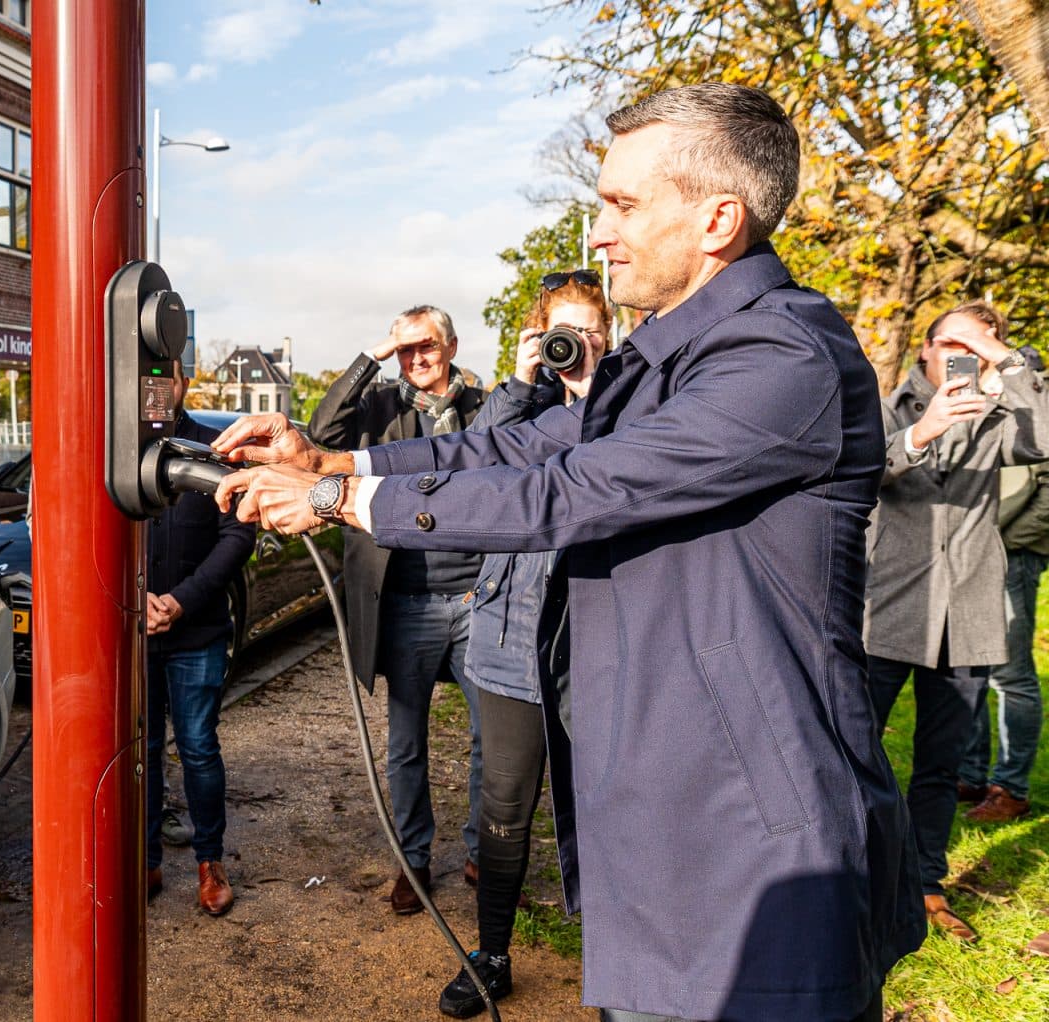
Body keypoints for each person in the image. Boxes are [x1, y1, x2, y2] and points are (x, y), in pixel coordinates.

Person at [212, 83, 921, 1021]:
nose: (600, 232)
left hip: (756, 840)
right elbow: (519, 445)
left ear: (717, 219)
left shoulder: (782, 358)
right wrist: (336, 454)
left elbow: (580, 490)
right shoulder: (667, 356)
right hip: (669, 822)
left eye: (624, 204)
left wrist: (341, 500)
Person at [439, 272, 608, 1019]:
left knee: (605, 808)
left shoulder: (630, 403)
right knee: (503, 807)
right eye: (560, 333)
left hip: (594, 649)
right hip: (508, 638)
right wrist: (520, 375)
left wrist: (597, 382)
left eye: (588, 331)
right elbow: (476, 457)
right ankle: (492, 954)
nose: (576, 346)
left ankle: (616, 956)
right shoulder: (522, 412)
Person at [864, 302, 1049, 942]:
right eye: (948, 342)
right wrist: (922, 432)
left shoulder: (1000, 414)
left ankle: (924, 883)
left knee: (940, 766)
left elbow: (1046, 437)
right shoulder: (890, 407)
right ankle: (850, 874)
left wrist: (1007, 360)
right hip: (887, 609)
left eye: (974, 344)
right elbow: (861, 473)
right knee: (857, 750)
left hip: (966, 613)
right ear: (923, 350)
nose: (957, 354)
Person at [308, 305, 491, 915]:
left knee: (490, 736)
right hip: (407, 602)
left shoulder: (485, 405)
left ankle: (481, 850)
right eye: (405, 348)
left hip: (475, 596)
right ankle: (413, 859)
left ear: (452, 345)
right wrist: (374, 353)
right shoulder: (382, 405)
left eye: (426, 346)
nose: (417, 359)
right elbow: (321, 430)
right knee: (406, 741)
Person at [143, 360, 256, 917]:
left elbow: (237, 536)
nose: (159, 390)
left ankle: (209, 861)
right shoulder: (117, 448)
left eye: (169, 379)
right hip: (131, 632)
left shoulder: (213, 450)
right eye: (148, 380)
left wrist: (180, 600)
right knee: (137, 751)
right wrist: (135, 600)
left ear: (185, 383)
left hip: (198, 631)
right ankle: (144, 859)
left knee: (198, 749)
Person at [958, 347, 1049, 824]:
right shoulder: (977, 393)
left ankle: (1010, 788)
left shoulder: (1038, 397)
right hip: (968, 552)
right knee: (970, 667)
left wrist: (1009, 541)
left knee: (1009, 676)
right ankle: (971, 775)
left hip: (1011, 556)